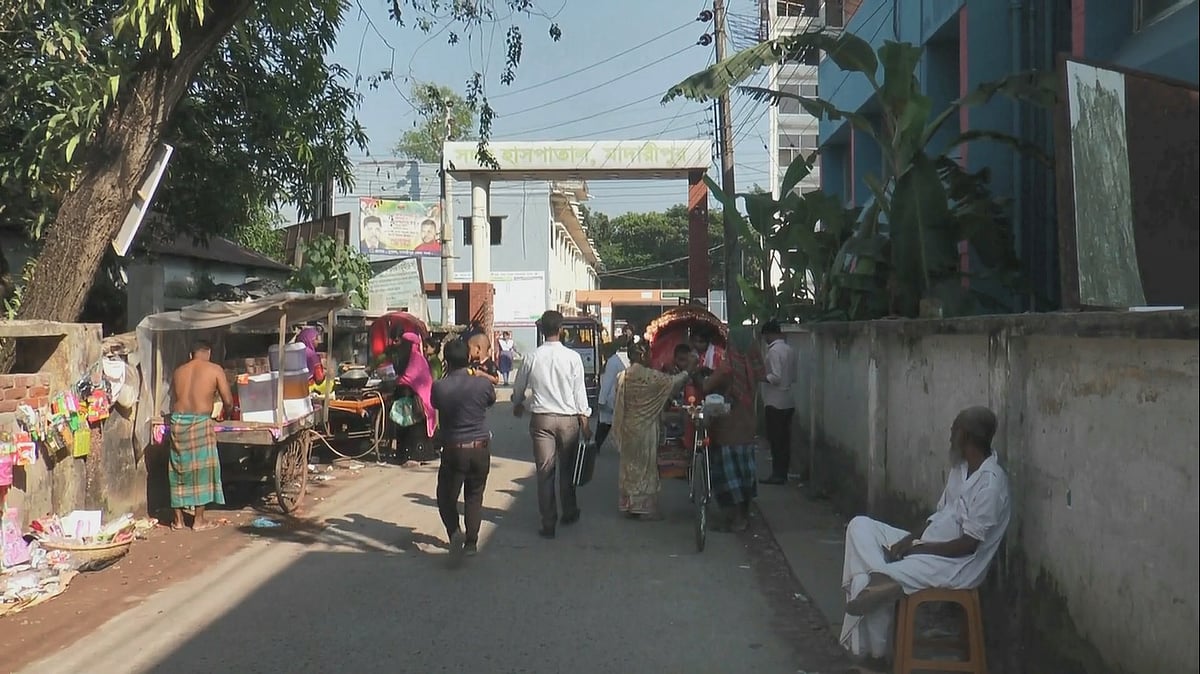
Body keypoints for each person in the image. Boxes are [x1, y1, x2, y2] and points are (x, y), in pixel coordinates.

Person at [838, 406, 1010, 664]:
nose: (950, 436)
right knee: (859, 525)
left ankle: (874, 652)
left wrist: (917, 549)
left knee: (861, 579)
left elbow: (968, 546)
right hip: (927, 544)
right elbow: (937, 516)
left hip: (954, 565)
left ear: (965, 436)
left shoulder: (990, 485)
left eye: (953, 430)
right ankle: (880, 579)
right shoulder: (960, 469)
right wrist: (906, 541)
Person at [512, 310, 592, 539]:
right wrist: (584, 420)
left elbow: (519, 386)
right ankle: (569, 511)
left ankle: (548, 522)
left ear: (541, 330)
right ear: (561, 330)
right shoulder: (572, 358)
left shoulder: (532, 357)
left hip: (542, 419)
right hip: (568, 420)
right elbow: (579, 392)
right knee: (567, 469)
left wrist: (518, 403)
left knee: (545, 471)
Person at [431, 338, 497, 564]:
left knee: (446, 496)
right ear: (468, 357)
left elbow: (436, 404)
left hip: (454, 449)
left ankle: (454, 532)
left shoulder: (439, 386)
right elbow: (490, 401)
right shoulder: (482, 384)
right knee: (474, 495)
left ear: (446, 361)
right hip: (480, 448)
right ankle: (471, 543)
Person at [612, 340, 691, 519]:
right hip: (646, 430)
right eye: (649, 354)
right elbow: (673, 383)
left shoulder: (622, 376)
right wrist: (688, 371)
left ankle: (630, 505)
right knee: (645, 469)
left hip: (628, 428)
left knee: (629, 467)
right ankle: (644, 508)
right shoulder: (650, 377)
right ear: (643, 355)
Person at [700, 325, 764, 532]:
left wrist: (697, 374)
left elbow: (706, 386)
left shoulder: (728, 366)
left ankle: (736, 520)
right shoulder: (753, 366)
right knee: (745, 475)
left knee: (731, 477)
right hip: (748, 427)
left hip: (728, 429)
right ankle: (743, 516)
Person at [168, 340, 233, 531]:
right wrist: (226, 414)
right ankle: (198, 521)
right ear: (209, 353)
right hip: (200, 422)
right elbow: (228, 401)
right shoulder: (215, 369)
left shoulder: (179, 371)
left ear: (191, 355)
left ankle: (178, 521)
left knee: (178, 468)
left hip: (178, 422)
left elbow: (176, 398)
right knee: (201, 470)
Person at [759, 320, 797, 485]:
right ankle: (783, 472)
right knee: (784, 440)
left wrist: (760, 377)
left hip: (775, 401)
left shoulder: (774, 351)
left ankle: (777, 474)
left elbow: (776, 377)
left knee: (776, 440)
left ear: (768, 334)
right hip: (788, 399)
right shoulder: (789, 349)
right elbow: (793, 376)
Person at [390, 332, 436, 465]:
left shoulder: (411, 359)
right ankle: (412, 454)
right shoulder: (415, 358)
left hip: (412, 399)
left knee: (408, 428)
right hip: (411, 400)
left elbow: (407, 378)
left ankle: (408, 454)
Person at [594, 340, 626, 451]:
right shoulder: (614, 360)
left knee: (605, 423)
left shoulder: (612, 363)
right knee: (607, 422)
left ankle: (596, 445)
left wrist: (601, 400)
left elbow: (607, 383)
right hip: (614, 396)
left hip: (611, 398)